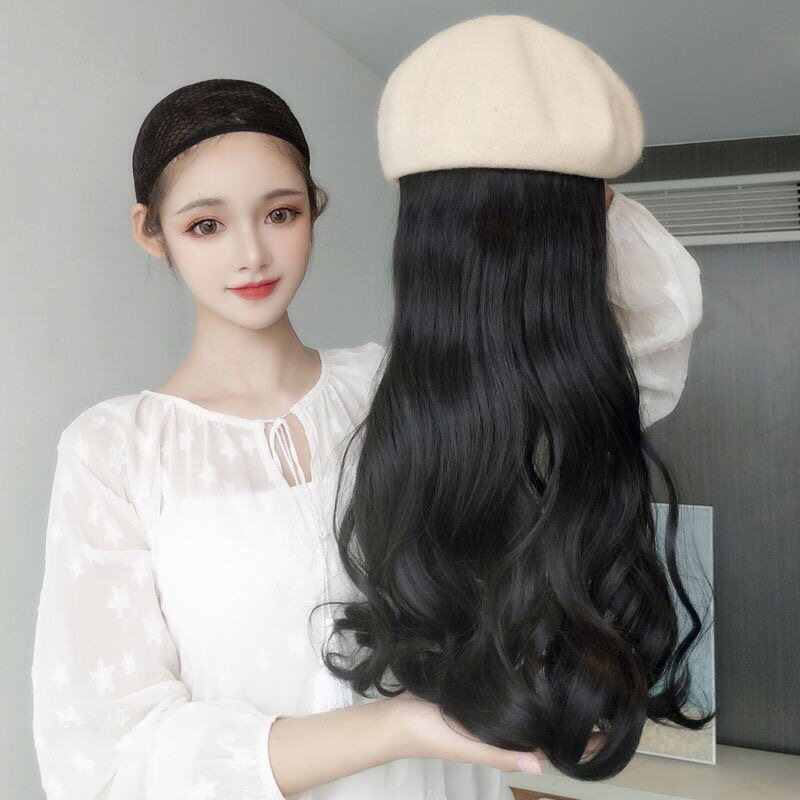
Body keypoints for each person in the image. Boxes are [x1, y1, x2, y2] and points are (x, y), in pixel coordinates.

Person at [30, 67, 699, 800]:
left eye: (280, 213)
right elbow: (108, 757)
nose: (251, 254)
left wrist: (569, 191)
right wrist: (404, 725)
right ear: (151, 231)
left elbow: (638, 354)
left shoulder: (397, 390)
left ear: (313, 210)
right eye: (207, 225)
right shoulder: (116, 453)